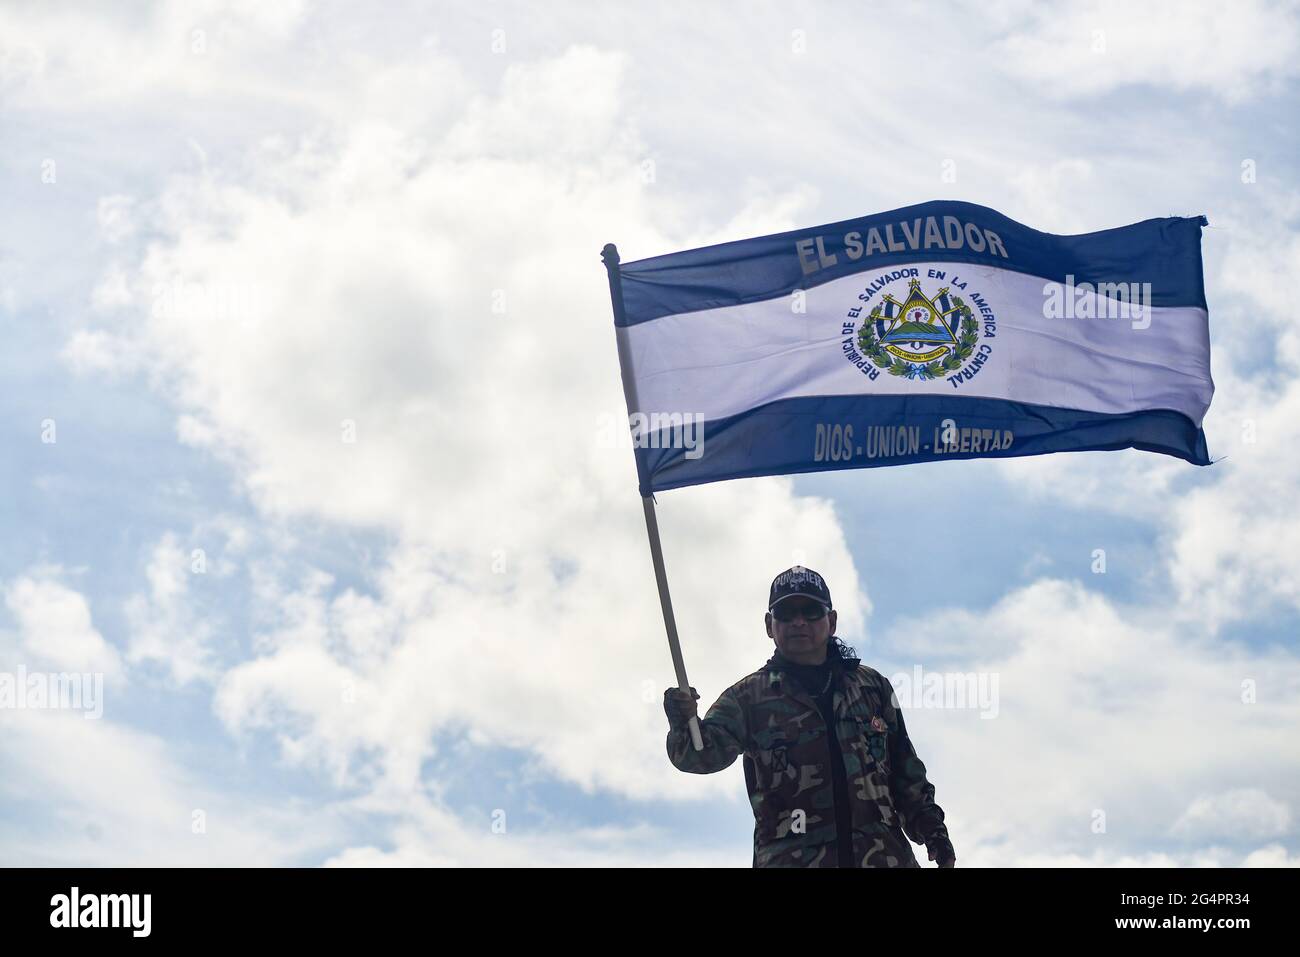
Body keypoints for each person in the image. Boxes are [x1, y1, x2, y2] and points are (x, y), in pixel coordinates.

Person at [664, 566, 956, 868]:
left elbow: (906, 773)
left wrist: (934, 832)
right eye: (786, 613)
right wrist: (682, 721)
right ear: (769, 624)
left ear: (831, 621)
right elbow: (697, 756)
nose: (799, 622)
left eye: (811, 611)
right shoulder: (747, 698)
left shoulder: (872, 688)